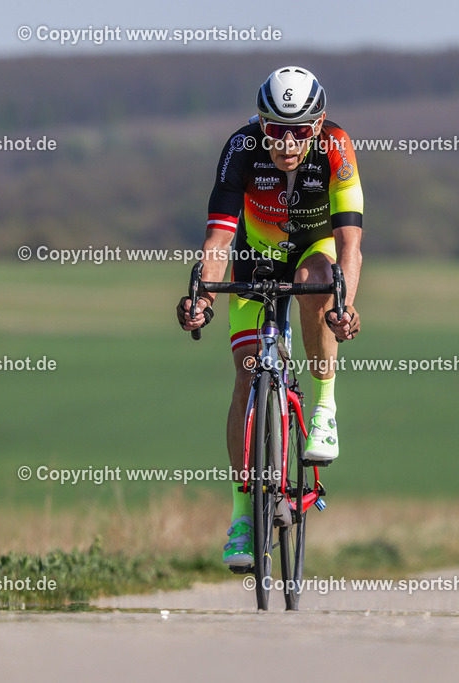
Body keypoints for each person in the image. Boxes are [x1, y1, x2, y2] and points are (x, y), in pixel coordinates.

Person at [177, 66, 363, 565]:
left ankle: (324, 407)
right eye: (275, 128)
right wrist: (203, 300)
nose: (285, 141)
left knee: (316, 279)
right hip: (253, 257)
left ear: (318, 124)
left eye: (299, 130)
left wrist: (343, 305)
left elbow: (350, 245)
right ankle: (242, 516)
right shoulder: (240, 149)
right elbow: (218, 239)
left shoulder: (337, 149)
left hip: (312, 251)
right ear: (261, 123)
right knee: (246, 376)